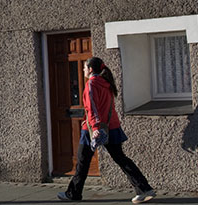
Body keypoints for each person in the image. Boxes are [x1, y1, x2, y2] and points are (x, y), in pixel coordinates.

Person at [58, 57, 156, 204]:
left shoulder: (91, 84)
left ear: (90, 69)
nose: (83, 70)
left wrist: (96, 128)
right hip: (111, 126)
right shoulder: (106, 83)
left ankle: (73, 194)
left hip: (93, 129)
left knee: (83, 162)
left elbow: (92, 108)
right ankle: (144, 189)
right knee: (121, 159)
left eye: (85, 67)